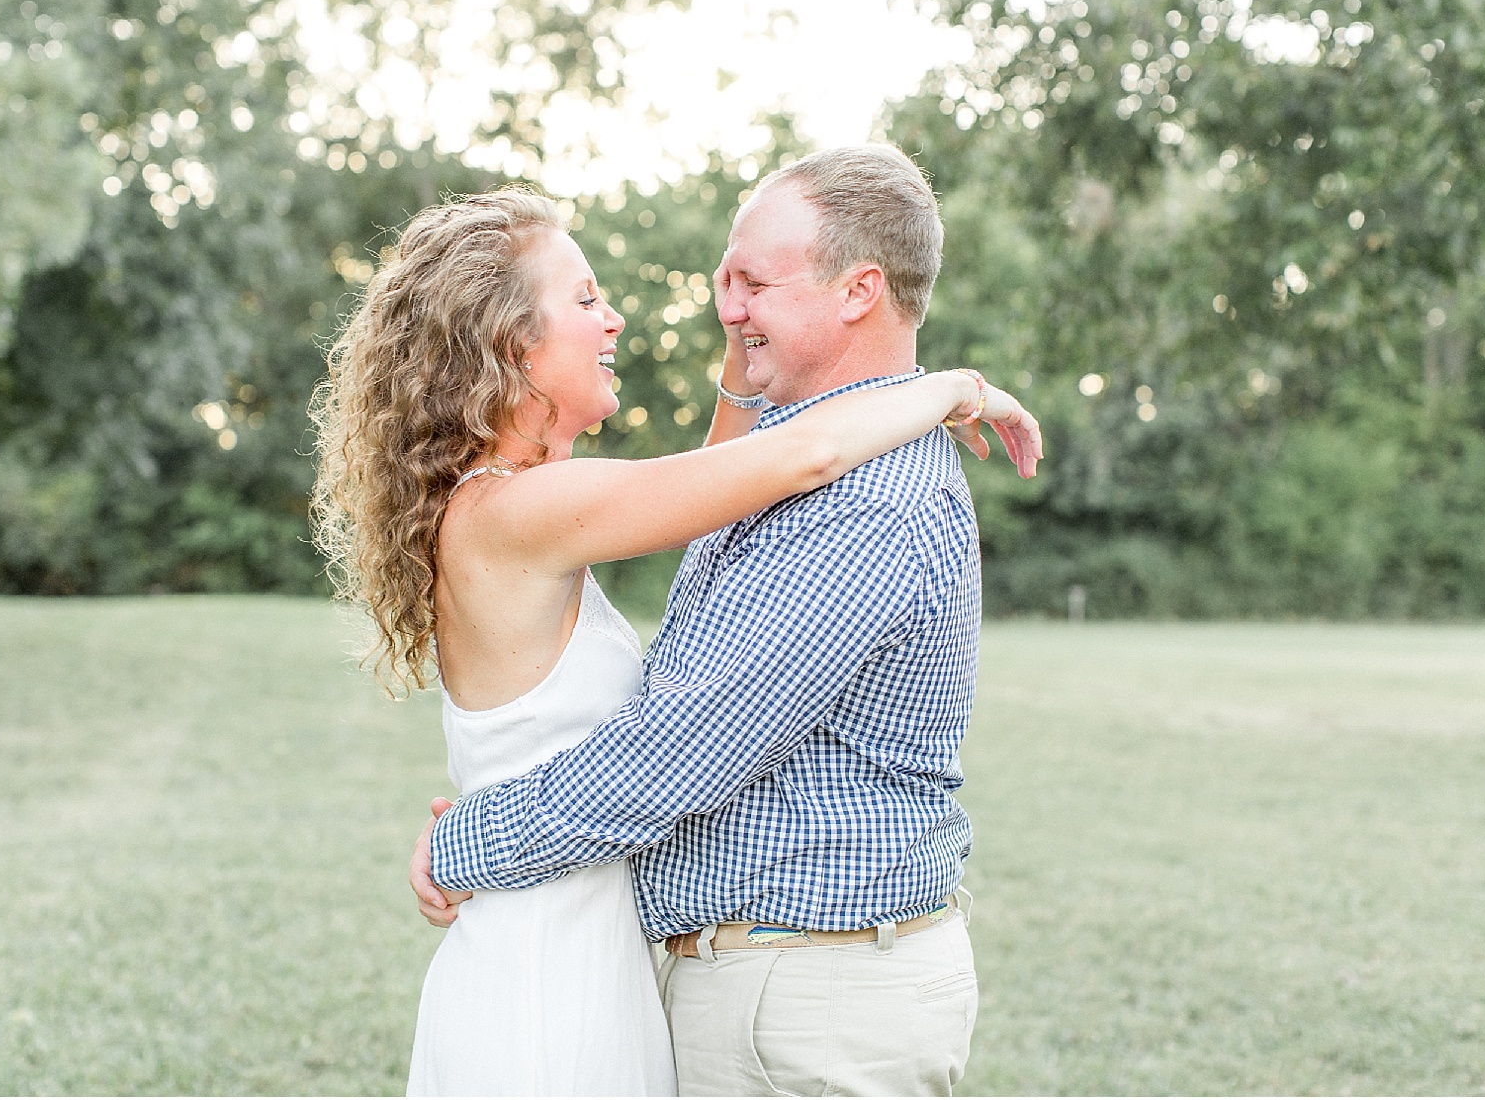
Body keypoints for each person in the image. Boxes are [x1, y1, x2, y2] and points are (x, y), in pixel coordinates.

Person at [407, 145, 1024, 1097]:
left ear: (860, 290)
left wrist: (469, 842)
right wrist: (945, 387)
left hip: (801, 992)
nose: (723, 309)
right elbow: (766, 465)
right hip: (600, 958)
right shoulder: (525, 506)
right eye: (585, 301)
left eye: (751, 282)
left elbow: (682, 747)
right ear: (506, 339)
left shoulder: (870, 494)